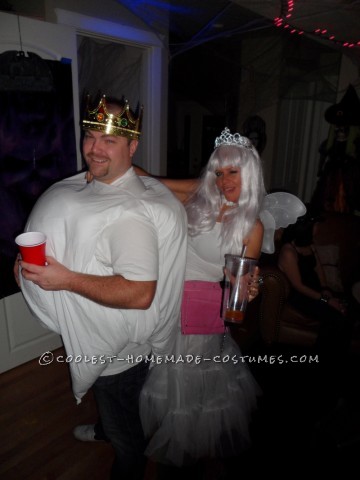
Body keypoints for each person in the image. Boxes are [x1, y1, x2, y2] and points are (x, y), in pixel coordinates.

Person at [15, 94, 188, 480]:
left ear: (132, 145)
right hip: (111, 344)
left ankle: (124, 454)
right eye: (90, 135)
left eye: (109, 140)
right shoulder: (111, 181)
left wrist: (65, 279)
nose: (94, 148)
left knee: (127, 437)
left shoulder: (130, 214)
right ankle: (105, 429)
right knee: (115, 409)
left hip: (120, 357)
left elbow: (140, 293)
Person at [134, 127, 265, 476]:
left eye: (233, 171)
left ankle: (177, 454)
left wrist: (253, 288)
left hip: (199, 309)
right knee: (164, 374)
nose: (224, 180)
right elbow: (148, 181)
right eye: (219, 172)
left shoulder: (252, 227)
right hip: (166, 297)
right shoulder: (201, 195)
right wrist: (113, 163)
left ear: (249, 171)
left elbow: (244, 279)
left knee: (189, 379)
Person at [277, 212, 353, 399]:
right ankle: (319, 369)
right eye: (315, 226)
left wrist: (326, 288)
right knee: (335, 317)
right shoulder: (288, 250)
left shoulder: (309, 245)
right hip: (302, 296)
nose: (318, 229)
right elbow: (298, 286)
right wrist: (326, 299)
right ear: (305, 228)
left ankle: (333, 362)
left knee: (348, 311)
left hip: (317, 293)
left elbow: (318, 268)